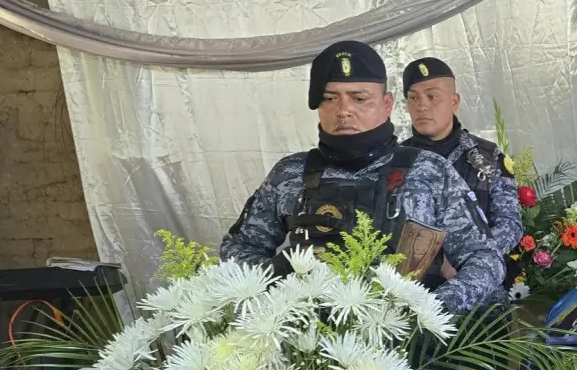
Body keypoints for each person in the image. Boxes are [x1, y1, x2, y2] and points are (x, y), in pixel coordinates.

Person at [220, 40, 504, 316]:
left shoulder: (429, 171)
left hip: (409, 345)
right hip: (313, 349)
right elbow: (238, 249)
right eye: (330, 98)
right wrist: (282, 290)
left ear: (387, 103)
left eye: (359, 98)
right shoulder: (290, 174)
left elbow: (485, 259)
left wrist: (427, 309)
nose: (344, 110)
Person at [402, 57, 523, 271]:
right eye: (413, 98)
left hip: (480, 286)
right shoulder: (398, 161)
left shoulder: (488, 157)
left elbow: (510, 224)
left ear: (454, 102)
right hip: (413, 287)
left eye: (432, 96)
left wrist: (471, 259)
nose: (421, 106)